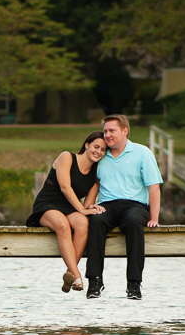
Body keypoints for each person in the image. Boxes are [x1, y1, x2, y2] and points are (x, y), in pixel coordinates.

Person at [84, 114, 162, 300]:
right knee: (95, 220)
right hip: (107, 205)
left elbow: (154, 187)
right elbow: (93, 184)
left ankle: (134, 284)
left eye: (112, 130)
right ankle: (94, 281)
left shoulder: (142, 153)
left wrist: (154, 218)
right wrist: (88, 208)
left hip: (134, 205)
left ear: (125, 131)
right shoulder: (100, 155)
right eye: (105, 131)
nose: (108, 135)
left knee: (134, 222)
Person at [25, 132, 107, 293]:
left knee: (83, 223)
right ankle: (76, 275)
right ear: (87, 145)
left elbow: (88, 204)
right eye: (96, 147)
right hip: (47, 204)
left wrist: (93, 208)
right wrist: (82, 209)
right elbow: (65, 187)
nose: (98, 152)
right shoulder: (67, 157)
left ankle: (69, 275)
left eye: (103, 150)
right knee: (62, 225)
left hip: (69, 207)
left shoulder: (95, 176)